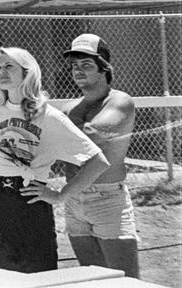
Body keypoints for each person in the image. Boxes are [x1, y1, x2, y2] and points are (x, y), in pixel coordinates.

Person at [0, 47, 109, 273]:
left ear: (27, 73)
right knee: (3, 278)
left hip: (33, 204)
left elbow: (97, 161)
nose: (2, 72)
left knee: (39, 277)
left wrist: (60, 195)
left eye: (9, 66)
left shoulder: (47, 115)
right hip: (0, 205)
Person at [61, 34, 140, 278]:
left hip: (107, 199)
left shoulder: (121, 101)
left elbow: (93, 135)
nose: (78, 71)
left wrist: (59, 124)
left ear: (104, 68)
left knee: (125, 281)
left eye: (86, 65)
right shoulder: (70, 107)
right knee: (91, 278)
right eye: (74, 66)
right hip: (74, 199)